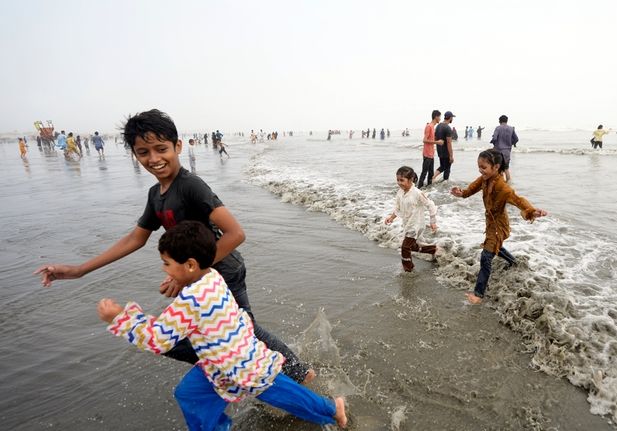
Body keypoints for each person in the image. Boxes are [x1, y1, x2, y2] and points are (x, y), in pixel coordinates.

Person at [35, 109, 314, 385]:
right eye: (144, 152)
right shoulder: (156, 195)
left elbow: (235, 233)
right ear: (135, 154)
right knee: (215, 338)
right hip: (197, 278)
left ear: (177, 146)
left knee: (242, 333)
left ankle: (291, 374)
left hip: (223, 272)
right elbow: (136, 238)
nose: (154, 159)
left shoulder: (191, 186)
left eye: (161, 148)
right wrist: (80, 270)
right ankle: (245, 372)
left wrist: (188, 274)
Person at [97, 221, 347, 431]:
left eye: (167, 263)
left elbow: (158, 340)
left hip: (240, 364)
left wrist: (121, 317)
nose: (164, 269)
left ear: (191, 265)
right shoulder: (212, 276)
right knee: (190, 393)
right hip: (223, 360)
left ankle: (331, 409)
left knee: (280, 393)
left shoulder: (191, 300)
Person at [450, 149, 547, 304]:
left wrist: (532, 211)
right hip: (490, 223)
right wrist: (460, 193)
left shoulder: (503, 187)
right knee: (496, 247)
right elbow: (470, 190)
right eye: (479, 166)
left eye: (483, 167)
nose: (480, 170)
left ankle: (478, 294)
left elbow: (519, 200)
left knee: (486, 256)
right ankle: (514, 263)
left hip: (498, 225)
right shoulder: (484, 179)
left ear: (495, 167)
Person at [385, 167, 438, 272]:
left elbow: (431, 205)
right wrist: (391, 217)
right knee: (411, 246)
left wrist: (433, 222)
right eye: (398, 180)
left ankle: (408, 269)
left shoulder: (417, 193)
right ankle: (433, 249)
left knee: (405, 247)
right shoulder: (400, 192)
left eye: (402, 180)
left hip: (416, 224)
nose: (399, 183)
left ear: (411, 180)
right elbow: (398, 208)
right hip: (407, 223)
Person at [417, 110, 444, 189]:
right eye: (439, 117)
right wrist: (437, 142)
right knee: (424, 172)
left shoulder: (432, 127)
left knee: (431, 173)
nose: (440, 118)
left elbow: (430, 139)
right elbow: (424, 140)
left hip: (431, 154)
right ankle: (419, 189)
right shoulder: (429, 126)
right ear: (436, 116)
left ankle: (429, 190)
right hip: (427, 154)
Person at [490, 115, 519, 182]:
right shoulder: (511, 128)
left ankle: (500, 183)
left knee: (498, 167)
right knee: (506, 168)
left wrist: (494, 143)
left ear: (499, 121)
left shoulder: (498, 128)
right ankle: (508, 184)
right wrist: (510, 144)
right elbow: (516, 139)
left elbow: (494, 138)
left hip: (498, 151)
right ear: (507, 120)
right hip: (507, 151)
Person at [433, 111, 456, 182]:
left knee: (442, 166)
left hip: (439, 150)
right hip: (446, 152)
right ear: (450, 118)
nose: (452, 119)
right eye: (452, 117)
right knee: (447, 169)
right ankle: (445, 184)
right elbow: (449, 142)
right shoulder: (448, 128)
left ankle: (433, 177)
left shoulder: (438, 126)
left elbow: (435, 138)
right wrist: (451, 156)